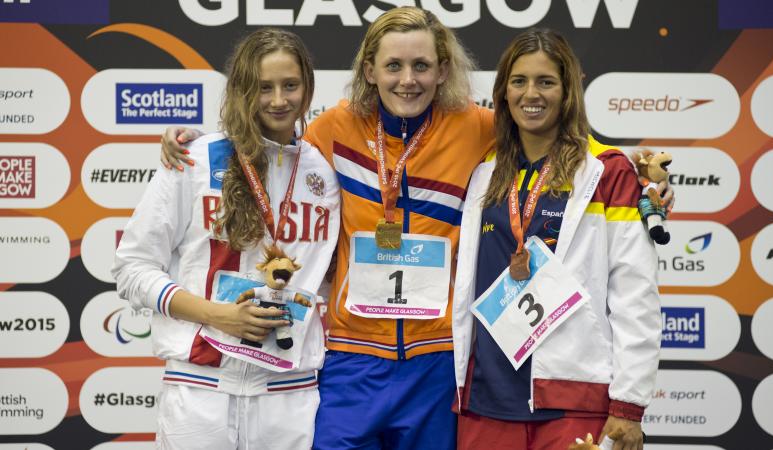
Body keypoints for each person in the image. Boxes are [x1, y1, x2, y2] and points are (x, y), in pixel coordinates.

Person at [159, 9, 672, 450]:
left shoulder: (477, 127)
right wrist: (199, 141)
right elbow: (269, 153)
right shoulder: (331, 129)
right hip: (352, 361)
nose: (409, 79)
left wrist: (645, 179)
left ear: (443, 68)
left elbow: (557, 141)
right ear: (369, 70)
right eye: (395, 66)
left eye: (422, 66)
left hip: (435, 364)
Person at [112, 28, 340, 449]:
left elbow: (329, 277)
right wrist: (218, 316)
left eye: (290, 85)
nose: (278, 100)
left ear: (308, 89)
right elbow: (132, 268)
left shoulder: (326, 174)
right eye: (262, 87)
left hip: (287, 394)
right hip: (200, 388)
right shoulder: (194, 160)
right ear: (240, 90)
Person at [450, 28, 660, 450]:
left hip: (572, 397)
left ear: (568, 92)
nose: (532, 94)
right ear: (503, 92)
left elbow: (635, 293)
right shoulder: (484, 173)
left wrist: (628, 405)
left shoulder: (607, 171)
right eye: (519, 81)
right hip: (485, 398)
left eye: (546, 81)